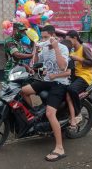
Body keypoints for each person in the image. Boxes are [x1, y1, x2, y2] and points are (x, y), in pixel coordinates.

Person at [21, 25, 69, 162]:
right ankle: (32, 117)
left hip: (60, 83)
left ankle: (60, 148)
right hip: (47, 80)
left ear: (53, 36)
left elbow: (62, 67)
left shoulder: (63, 48)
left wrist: (56, 48)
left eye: (46, 37)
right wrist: (35, 49)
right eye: (42, 37)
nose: (44, 39)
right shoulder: (44, 49)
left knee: (50, 113)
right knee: (24, 90)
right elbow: (35, 62)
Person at [65, 30, 92, 128]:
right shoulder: (73, 50)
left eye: (69, 40)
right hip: (75, 77)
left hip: (85, 77)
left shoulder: (84, 48)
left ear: (75, 38)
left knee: (72, 89)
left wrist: (78, 59)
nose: (68, 43)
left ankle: (77, 113)